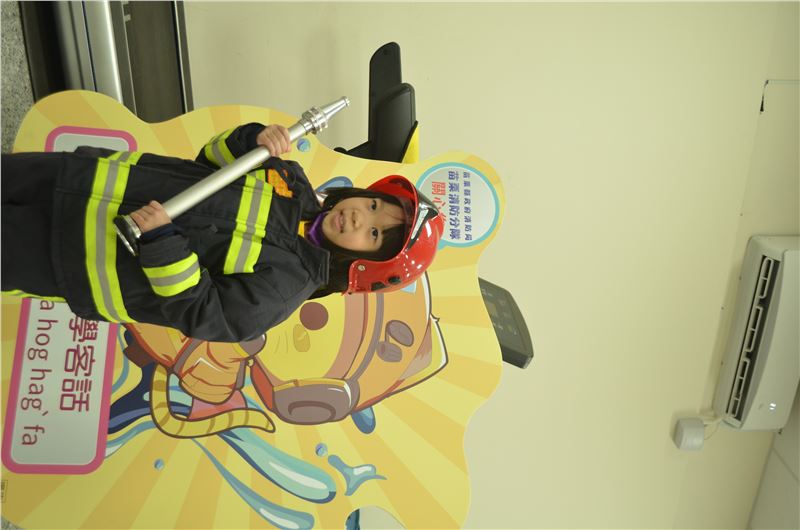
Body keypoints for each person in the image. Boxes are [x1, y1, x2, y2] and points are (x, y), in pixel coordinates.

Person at [2, 122, 444, 342]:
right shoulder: (291, 182)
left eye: (372, 234)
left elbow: (202, 312)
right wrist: (252, 141)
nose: (359, 218)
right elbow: (209, 161)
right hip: (83, 180)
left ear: (362, 265)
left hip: (79, 256)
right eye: (372, 205)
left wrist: (162, 244)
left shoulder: (284, 289)